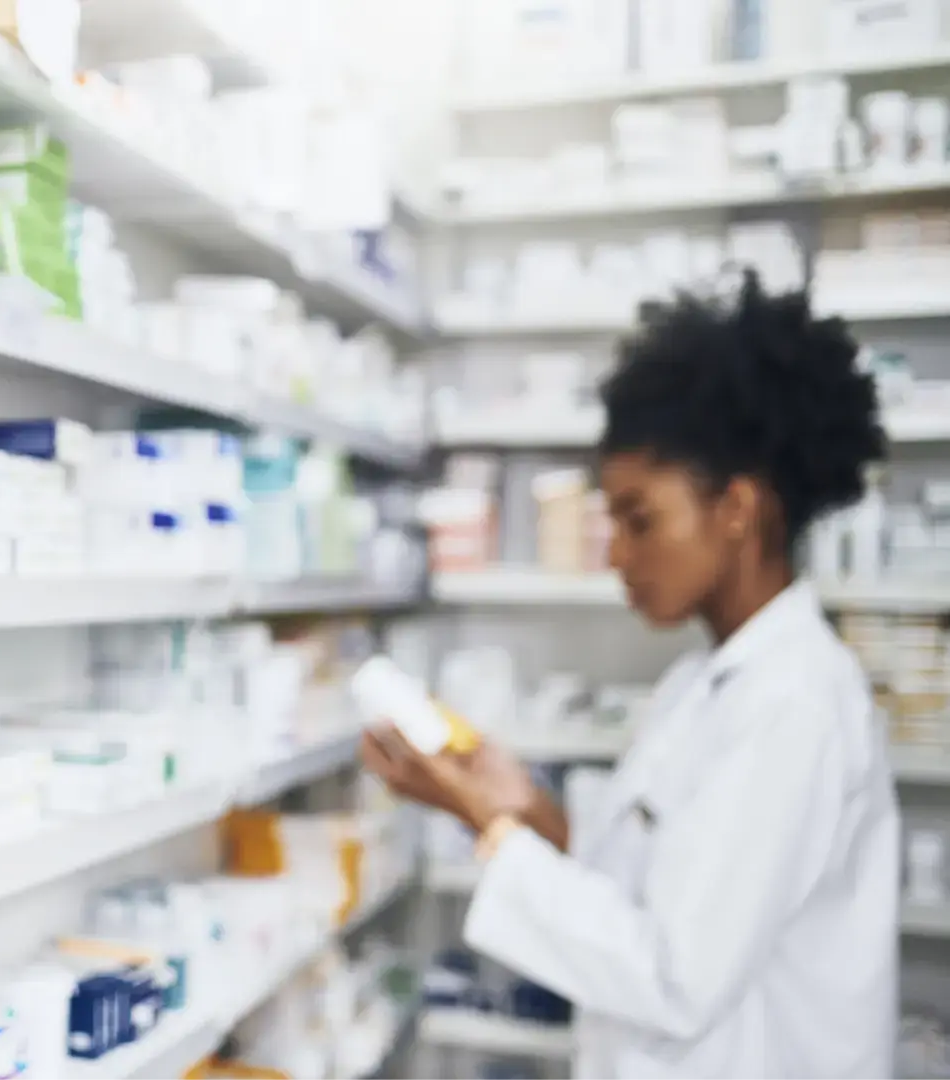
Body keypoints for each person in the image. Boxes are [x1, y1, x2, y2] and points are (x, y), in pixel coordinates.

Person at [362, 270, 899, 1079]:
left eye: (638, 518)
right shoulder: (704, 682)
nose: (614, 553)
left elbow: (672, 973)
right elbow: (640, 872)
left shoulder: (797, 704)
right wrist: (517, 801)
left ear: (738, 509)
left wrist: (486, 822)